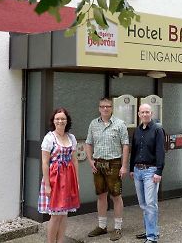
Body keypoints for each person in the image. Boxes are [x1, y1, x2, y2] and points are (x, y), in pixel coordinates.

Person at [85, 97, 129, 241]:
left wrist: (124, 165)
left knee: (116, 196)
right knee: (101, 195)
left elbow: (125, 145)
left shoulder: (120, 124)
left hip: (114, 164)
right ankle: (102, 226)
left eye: (108, 106)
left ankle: (117, 228)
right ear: (99, 108)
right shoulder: (93, 124)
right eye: (102, 106)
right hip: (98, 164)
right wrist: (90, 160)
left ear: (112, 108)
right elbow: (88, 143)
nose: (105, 109)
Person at [38, 108, 82, 243]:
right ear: (53, 121)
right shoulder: (49, 138)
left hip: (68, 178)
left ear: (67, 121)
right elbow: (45, 163)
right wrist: (47, 185)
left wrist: (77, 182)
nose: (60, 121)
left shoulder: (71, 137)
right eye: (57, 119)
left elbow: (74, 160)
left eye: (63, 118)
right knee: (55, 216)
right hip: (54, 179)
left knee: (64, 215)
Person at [130, 103, 165, 243]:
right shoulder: (137, 130)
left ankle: (152, 237)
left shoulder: (157, 129)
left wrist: (159, 171)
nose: (144, 114)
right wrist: (132, 168)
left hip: (151, 171)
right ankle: (150, 231)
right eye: (142, 112)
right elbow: (135, 150)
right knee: (143, 204)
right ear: (138, 114)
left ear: (151, 114)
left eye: (147, 112)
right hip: (138, 171)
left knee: (150, 203)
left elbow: (160, 151)